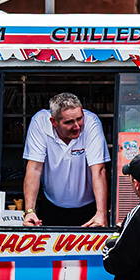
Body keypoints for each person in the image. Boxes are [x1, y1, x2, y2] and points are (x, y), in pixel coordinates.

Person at [22, 92, 109, 227]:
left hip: (89, 207)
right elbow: (34, 168)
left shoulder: (92, 122)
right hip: (51, 204)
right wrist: (29, 211)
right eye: (69, 122)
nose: (77, 126)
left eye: (79, 119)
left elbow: (99, 169)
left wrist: (102, 214)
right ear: (53, 122)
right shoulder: (40, 122)